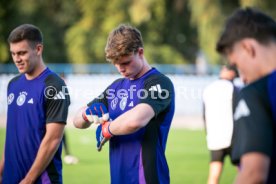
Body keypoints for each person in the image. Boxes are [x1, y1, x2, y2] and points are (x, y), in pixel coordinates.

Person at [73, 24, 175, 184]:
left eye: (126, 62)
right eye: (115, 63)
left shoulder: (159, 82)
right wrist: (87, 114)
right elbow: (77, 121)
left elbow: (137, 120)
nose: (120, 68)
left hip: (146, 178)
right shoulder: (116, 87)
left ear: (140, 52)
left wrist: (107, 129)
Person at [0, 24, 70, 184]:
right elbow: (13, 135)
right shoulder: (13, 84)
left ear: (38, 49)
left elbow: (53, 139)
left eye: (22, 53)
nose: (17, 59)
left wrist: (29, 179)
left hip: (40, 179)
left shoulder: (54, 85)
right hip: (11, 177)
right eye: (13, 54)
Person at [216, 7, 276, 184]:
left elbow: (253, 174)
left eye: (236, 64)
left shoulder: (257, 92)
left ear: (248, 48)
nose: (241, 76)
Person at [202, 65, 239, 184]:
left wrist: (208, 134)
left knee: (214, 176)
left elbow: (204, 115)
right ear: (232, 73)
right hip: (234, 137)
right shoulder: (235, 88)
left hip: (215, 138)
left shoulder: (208, 89)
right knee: (244, 172)